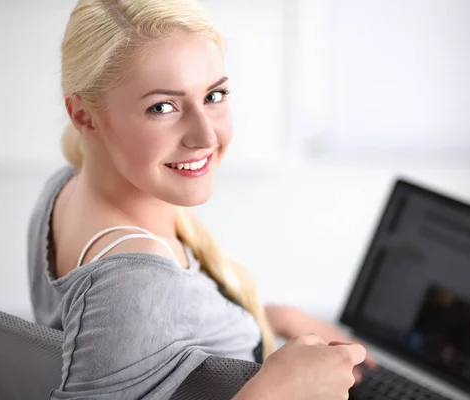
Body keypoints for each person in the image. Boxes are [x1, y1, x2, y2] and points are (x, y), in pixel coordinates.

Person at [27, 0, 374, 398]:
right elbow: (136, 305)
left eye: (214, 96)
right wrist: (276, 391)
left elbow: (148, 328)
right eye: (162, 107)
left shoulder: (66, 188)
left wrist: (272, 317)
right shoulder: (137, 280)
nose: (206, 136)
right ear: (85, 116)